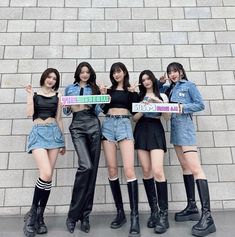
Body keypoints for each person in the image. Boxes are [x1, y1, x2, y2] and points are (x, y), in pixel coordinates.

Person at [163, 62, 216, 237]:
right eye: (170, 72)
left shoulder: (189, 85)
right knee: (185, 168)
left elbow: (200, 105)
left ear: (181, 72)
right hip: (176, 132)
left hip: (186, 131)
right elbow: (155, 89)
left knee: (195, 169)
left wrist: (182, 107)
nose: (172, 74)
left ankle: (207, 216)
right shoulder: (170, 88)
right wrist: (160, 80)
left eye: (175, 71)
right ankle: (192, 206)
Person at [99, 62, 140, 237]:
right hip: (108, 124)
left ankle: (135, 217)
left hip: (124, 124)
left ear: (124, 73)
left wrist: (133, 95)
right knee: (112, 169)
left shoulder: (131, 91)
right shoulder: (108, 91)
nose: (116, 75)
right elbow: (103, 109)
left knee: (129, 171)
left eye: (119, 71)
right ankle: (120, 212)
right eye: (114, 72)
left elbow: (135, 111)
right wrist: (102, 96)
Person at [24, 68, 66, 237]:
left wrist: (63, 141)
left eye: (54, 78)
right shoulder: (34, 94)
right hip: (38, 133)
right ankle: (32, 215)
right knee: (45, 173)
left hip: (54, 134)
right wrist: (28, 94)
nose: (51, 80)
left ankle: (40, 217)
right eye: (49, 77)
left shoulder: (58, 96)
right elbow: (29, 114)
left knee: (48, 178)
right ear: (44, 78)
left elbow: (59, 119)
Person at [64, 62, 101, 234]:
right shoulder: (70, 88)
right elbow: (66, 112)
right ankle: (72, 216)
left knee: (92, 172)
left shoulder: (94, 89)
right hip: (77, 125)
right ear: (78, 73)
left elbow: (98, 111)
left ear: (90, 74)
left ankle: (85, 216)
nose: (84, 74)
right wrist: (65, 106)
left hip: (93, 124)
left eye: (87, 72)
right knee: (85, 166)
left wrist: (103, 95)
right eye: (82, 72)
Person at [133, 70, 170, 234]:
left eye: (148, 78)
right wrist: (144, 106)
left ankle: (164, 215)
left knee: (157, 170)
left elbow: (167, 116)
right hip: (141, 130)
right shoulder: (139, 96)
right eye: (143, 79)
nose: (146, 81)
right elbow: (134, 118)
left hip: (156, 129)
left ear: (153, 80)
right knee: (146, 171)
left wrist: (155, 101)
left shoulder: (162, 95)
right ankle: (154, 211)